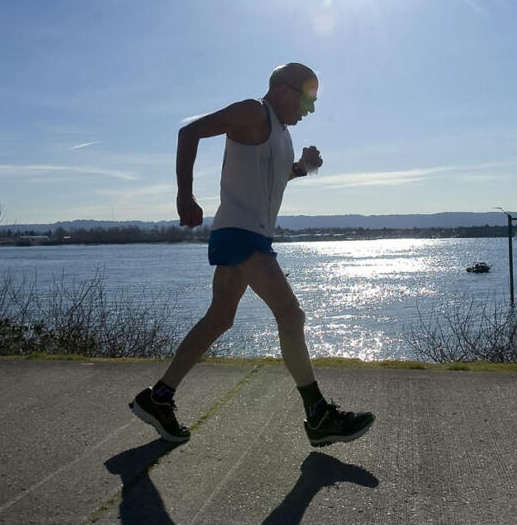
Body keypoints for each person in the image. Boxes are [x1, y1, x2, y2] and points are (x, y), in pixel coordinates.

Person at [130, 62, 375, 448]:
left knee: (219, 319)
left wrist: (302, 168)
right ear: (283, 90)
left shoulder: (281, 133)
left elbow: (272, 178)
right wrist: (184, 193)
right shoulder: (252, 111)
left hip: (248, 234)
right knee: (291, 315)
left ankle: (158, 397)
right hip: (240, 234)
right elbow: (189, 132)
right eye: (307, 99)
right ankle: (319, 415)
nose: (309, 110)